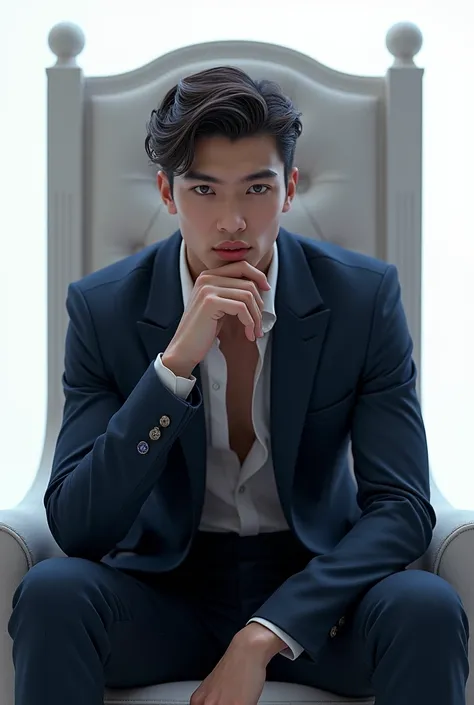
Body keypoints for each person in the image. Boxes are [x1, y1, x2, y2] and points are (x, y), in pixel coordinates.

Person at [8, 66, 468, 705]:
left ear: (289, 190)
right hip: (164, 594)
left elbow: (402, 506)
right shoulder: (102, 309)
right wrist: (173, 367)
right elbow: (79, 525)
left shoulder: (363, 299)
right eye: (204, 190)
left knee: (428, 606)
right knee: (51, 596)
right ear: (167, 193)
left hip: (316, 593)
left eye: (256, 188)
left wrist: (267, 631)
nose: (232, 221)